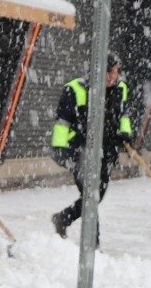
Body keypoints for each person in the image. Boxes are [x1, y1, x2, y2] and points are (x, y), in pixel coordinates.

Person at [51, 54, 135, 238]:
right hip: (80, 151)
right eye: (109, 71)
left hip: (107, 152)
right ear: (98, 71)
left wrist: (125, 134)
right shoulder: (74, 89)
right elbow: (62, 123)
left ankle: (63, 218)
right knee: (91, 195)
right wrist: (59, 148)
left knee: (96, 196)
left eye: (116, 72)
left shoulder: (121, 89)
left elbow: (124, 116)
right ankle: (93, 246)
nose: (114, 76)